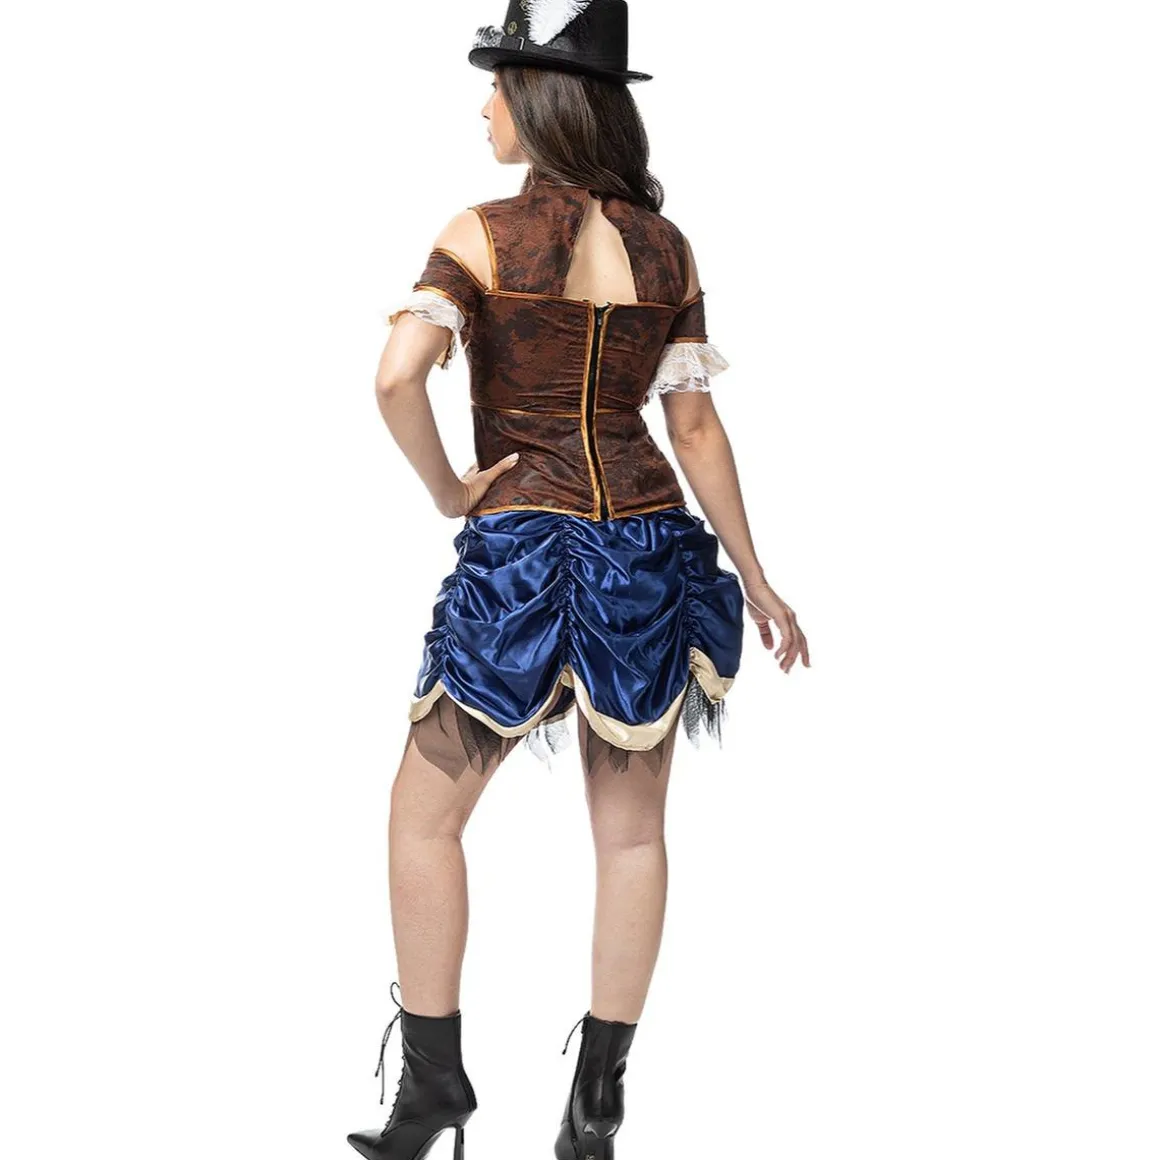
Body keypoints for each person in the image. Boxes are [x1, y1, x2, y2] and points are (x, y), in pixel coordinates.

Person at [348, 2, 810, 1157]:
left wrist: (449, 488)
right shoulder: (667, 248)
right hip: (647, 551)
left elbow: (396, 375)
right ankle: (593, 1112)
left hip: (520, 553)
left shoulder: (482, 233)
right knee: (631, 839)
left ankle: (433, 1085)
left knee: (421, 818)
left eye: (497, 85)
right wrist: (755, 576)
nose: (483, 107)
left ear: (541, 100)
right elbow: (692, 427)